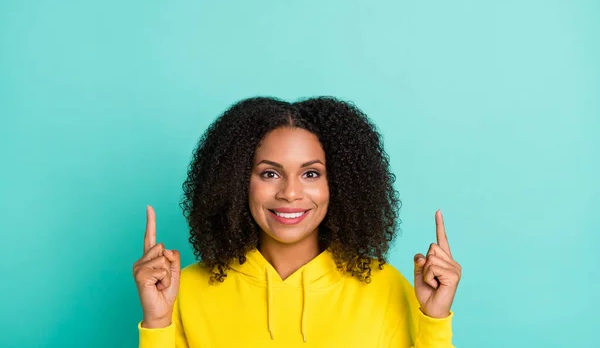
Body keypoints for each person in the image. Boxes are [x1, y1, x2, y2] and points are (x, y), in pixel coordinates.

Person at [133, 96, 461, 347]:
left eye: (311, 173)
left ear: (339, 183)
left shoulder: (385, 286)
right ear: (236, 181)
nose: (290, 192)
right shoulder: (185, 291)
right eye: (270, 173)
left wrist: (433, 320)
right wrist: (158, 321)